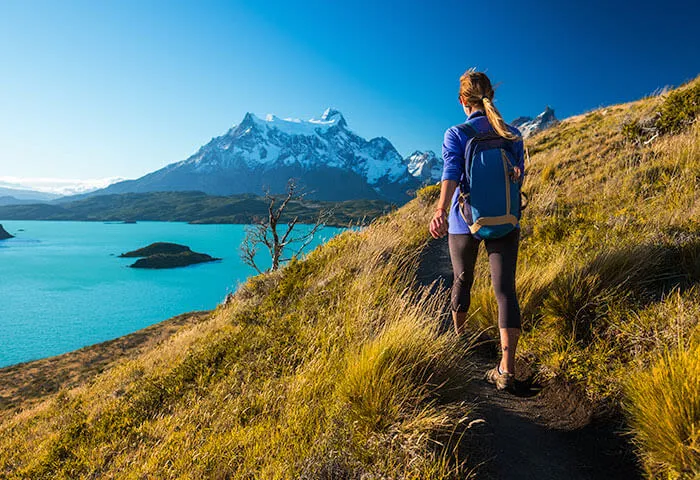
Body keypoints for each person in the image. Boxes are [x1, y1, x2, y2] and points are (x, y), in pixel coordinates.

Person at [428, 69, 524, 392]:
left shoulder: (455, 134)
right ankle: (506, 369)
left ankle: (461, 341)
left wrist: (441, 209)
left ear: (462, 100)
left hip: (462, 221)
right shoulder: (512, 134)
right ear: (490, 97)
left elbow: (451, 172)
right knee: (505, 289)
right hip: (506, 221)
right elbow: (518, 177)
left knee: (462, 278)